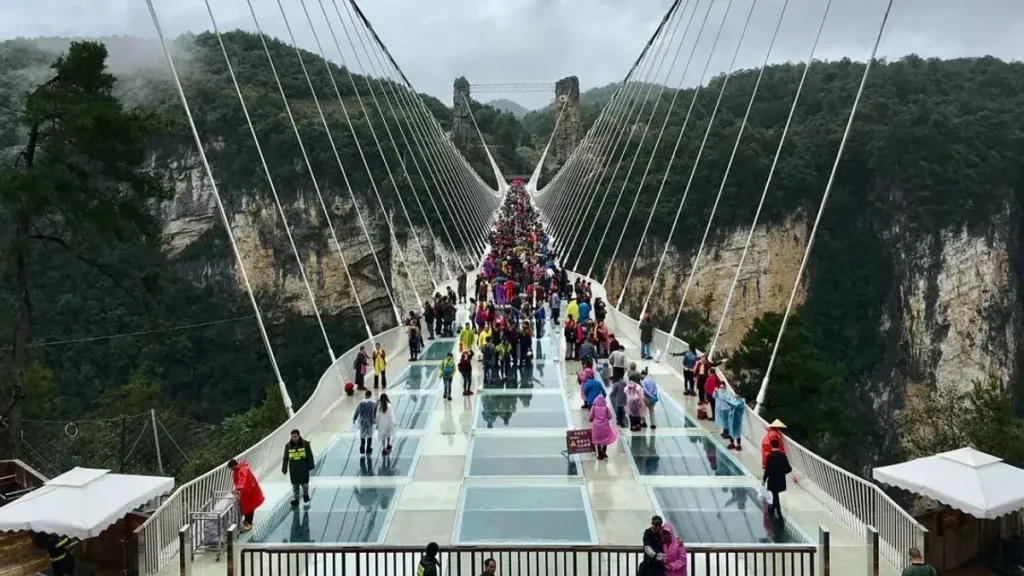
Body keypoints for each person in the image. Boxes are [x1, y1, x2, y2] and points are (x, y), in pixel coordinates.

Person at [228, 458, 264, 531]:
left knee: (250, 507)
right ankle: (247, 521)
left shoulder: (243, 469)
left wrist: (237, 489)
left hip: (250, 491)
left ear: (234, 465)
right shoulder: (236, 470)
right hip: (246, 491)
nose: (231, 469)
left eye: (231, 468)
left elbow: (242, 480)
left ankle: (249, 523)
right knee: (247, 506)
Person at [281, 429, 315, 506]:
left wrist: (310, 465)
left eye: (295, 436)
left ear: (299, 436)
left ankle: (305, 495)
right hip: (294, 469)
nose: (294, 438)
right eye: (292, 436)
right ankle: (296, 499)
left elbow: (309, 455)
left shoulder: (305, 444)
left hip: (303, 467)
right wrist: (284, 468)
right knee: (295, 485)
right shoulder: (288, 446)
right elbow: (285, 458)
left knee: (304, 484)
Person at [763, 438, 793, 521]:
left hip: (773, 479)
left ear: (771, 446)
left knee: (775, 495)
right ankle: (773, 507)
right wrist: (781, 472)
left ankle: (779, 514)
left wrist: (764, 479)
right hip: (780, 479)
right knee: (775, 495)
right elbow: (789, 468)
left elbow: (767, 469)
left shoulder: (770, 456)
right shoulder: (783, 455)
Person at [589, 395, 618, 460]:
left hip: (596, 426)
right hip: (605, 426)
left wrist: (591, 419)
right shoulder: (606, 408)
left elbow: (590, 417)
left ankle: (599, 454)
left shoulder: (594, 408)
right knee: (606, 439)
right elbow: (610, 417)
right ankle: (604, 452)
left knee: (597, 440)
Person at [353, 389, 377, 454]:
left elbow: (357, 411)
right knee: (369, 434)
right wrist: (375, 420)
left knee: (362, 434)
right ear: (370, 395)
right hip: (370, 420)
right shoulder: (373, 403)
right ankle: (368, 448)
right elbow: (375, 412)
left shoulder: (361, 403)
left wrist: (354, 418)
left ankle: (362, 447)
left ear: (365, 395)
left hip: (362, 420)